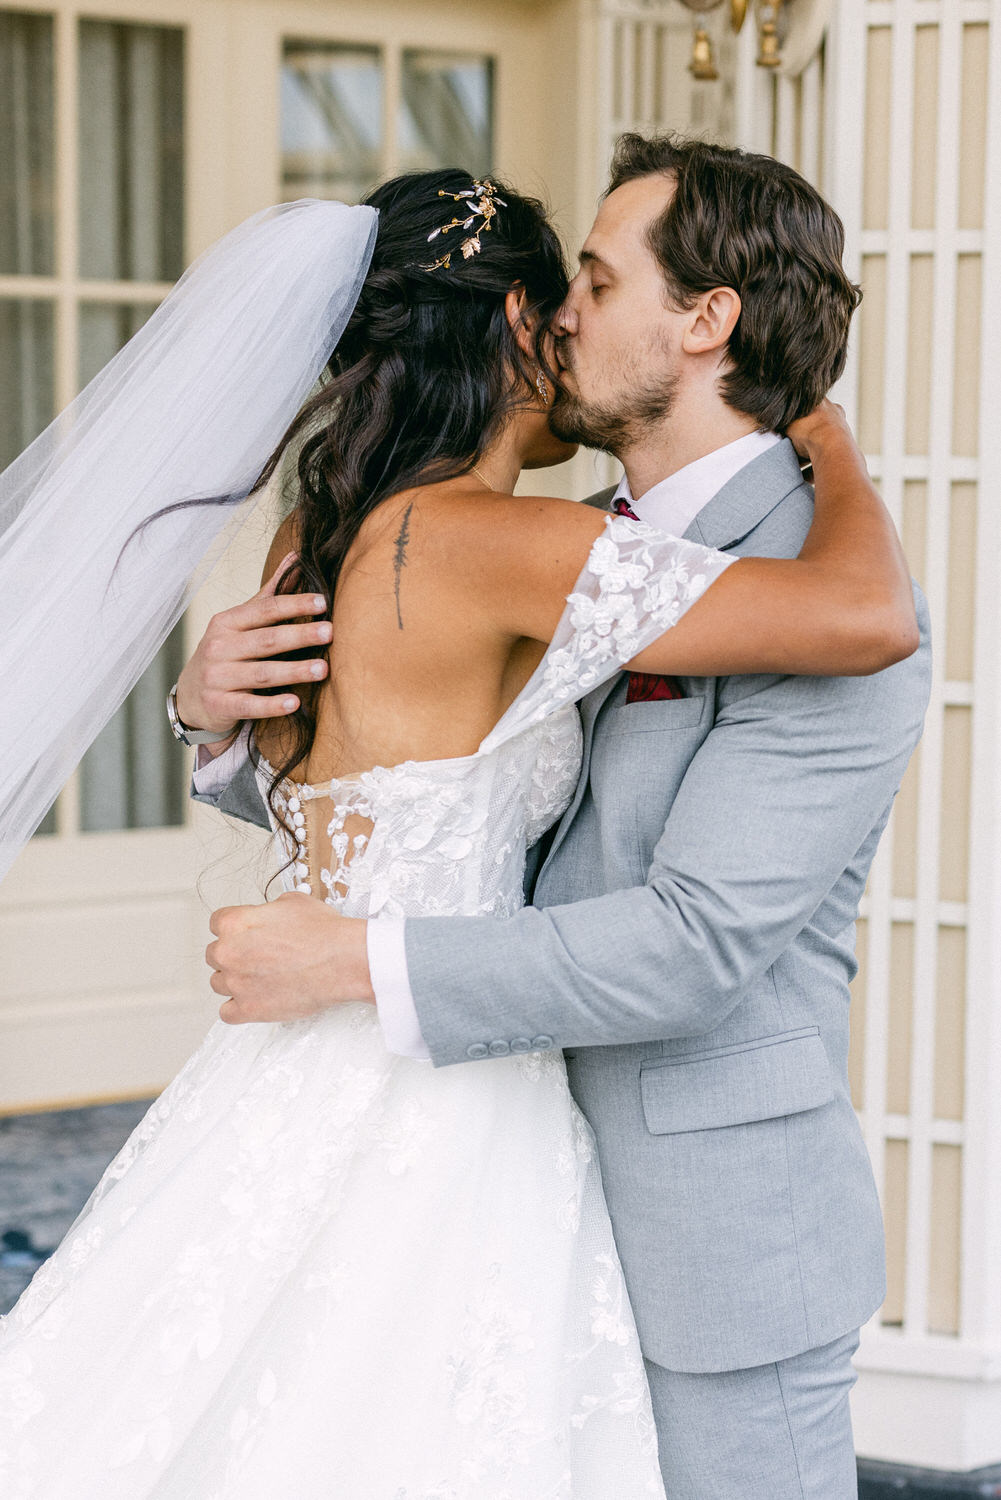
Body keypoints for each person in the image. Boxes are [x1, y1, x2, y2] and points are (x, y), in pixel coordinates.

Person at [0, 155, 919, 1499]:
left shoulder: (355, 529)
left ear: (705, 321)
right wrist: (213, 718)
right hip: (446, 1112)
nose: (567, 324)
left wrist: (333, 930)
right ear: (504, 326)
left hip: (638, 1189)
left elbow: (682, 922)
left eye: (597, 288)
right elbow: (381, 792)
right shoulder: (525, 545)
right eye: (565, 292)